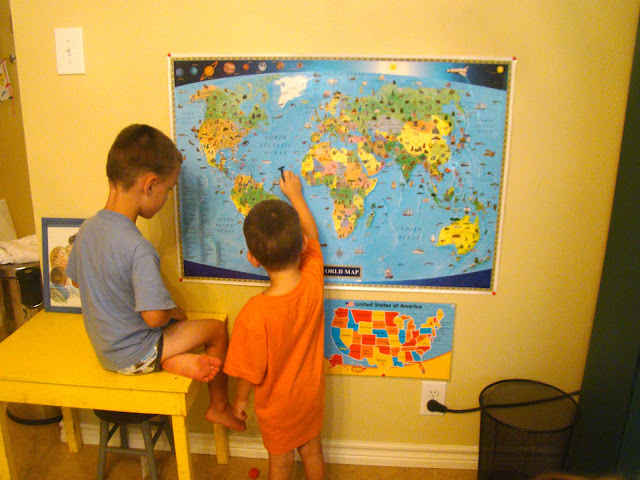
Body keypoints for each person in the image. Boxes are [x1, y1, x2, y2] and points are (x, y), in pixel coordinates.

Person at [66, 124, 245, 431]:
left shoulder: (87, 229)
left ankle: (171, 359)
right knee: (215, 330)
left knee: (172, 328)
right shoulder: (138, 248)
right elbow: (153, 318)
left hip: (105, 352)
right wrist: (173, 310)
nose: (166, 198)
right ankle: (220, 407)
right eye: (168, 190)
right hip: (136, 354)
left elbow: (77, 282)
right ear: (149, 185)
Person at [224, 171, 326, 480]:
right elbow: (312, 234)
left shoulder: (254, 313)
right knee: (313, 452)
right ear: (302, 245)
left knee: (281, 464)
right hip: (310, 396)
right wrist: (296, 195)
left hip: (277, 409)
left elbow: (248, 370)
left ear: (253, 259)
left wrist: (239, 401)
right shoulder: (313, 279)